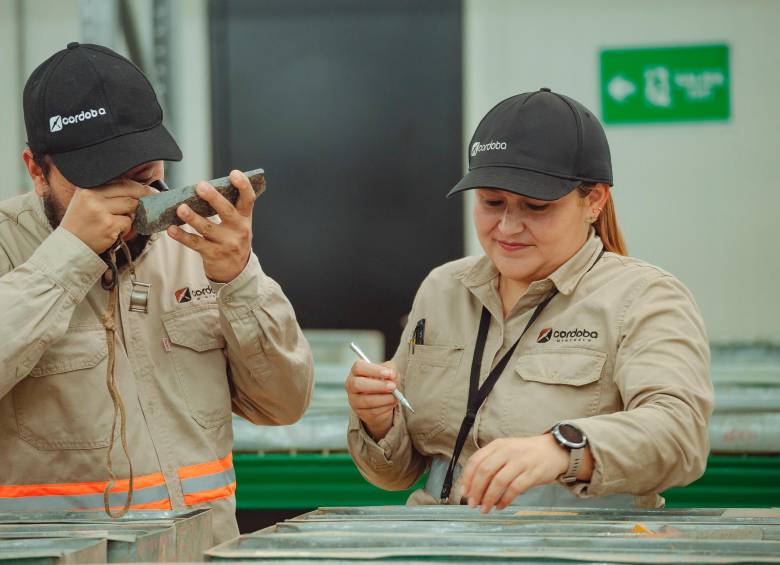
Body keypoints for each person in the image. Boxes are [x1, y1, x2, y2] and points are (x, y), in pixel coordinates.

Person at [0, 43, 313, 544]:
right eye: (99, 183)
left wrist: (240, 280)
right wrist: (69, 256)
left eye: (145, 176)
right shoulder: (6, 246)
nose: (130, 199)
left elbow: (284, 405)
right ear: (37, 170)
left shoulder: (195, 244)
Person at [346, 88, 713, 513]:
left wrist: (563, 449)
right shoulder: (442, 289)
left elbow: (681, 433)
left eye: (536, 207)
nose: (507, 226)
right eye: (491, 202)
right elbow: (397, 474)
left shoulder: (644, 298)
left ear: (594, 200)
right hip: (440, 545)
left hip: (577, 551)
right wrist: (379, 420)